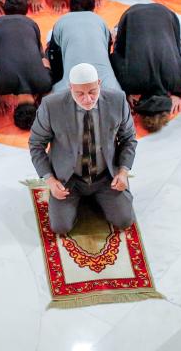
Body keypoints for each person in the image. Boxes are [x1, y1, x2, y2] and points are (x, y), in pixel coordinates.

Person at [29, 63, 137, 235]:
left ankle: (99, 197)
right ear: (70, 87)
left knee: (124, 220)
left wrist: (123, 172)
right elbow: (36, 145)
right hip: (69, 179)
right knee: (60, 227)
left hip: (105, 176)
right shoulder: (51, 106)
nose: (87, 99)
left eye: (92, 92)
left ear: (99, 83)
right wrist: (50, 180)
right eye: (80, 93)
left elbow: (129, 139)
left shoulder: (117, 100)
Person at [111, 4, 181, 132]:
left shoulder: (179, 81)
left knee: (176, 47)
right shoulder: (128, 82)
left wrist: (178, 92)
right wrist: (126, 91)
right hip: (131, 16)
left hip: (165, 14)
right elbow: (114, 57)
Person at [0, 0, 53, 130]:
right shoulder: (2, 86)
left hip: (29, 25)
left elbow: (45, 61)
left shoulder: (45, 84)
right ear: (14, 109)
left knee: (38, 54)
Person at [47, 0, 121, 93]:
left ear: (70, 5)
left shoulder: (61, 22)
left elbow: (53, 56)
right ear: (92, 4)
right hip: (108, 86)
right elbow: (107, 52)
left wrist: (58, 78)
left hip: (71, 86)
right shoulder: (101, 21)